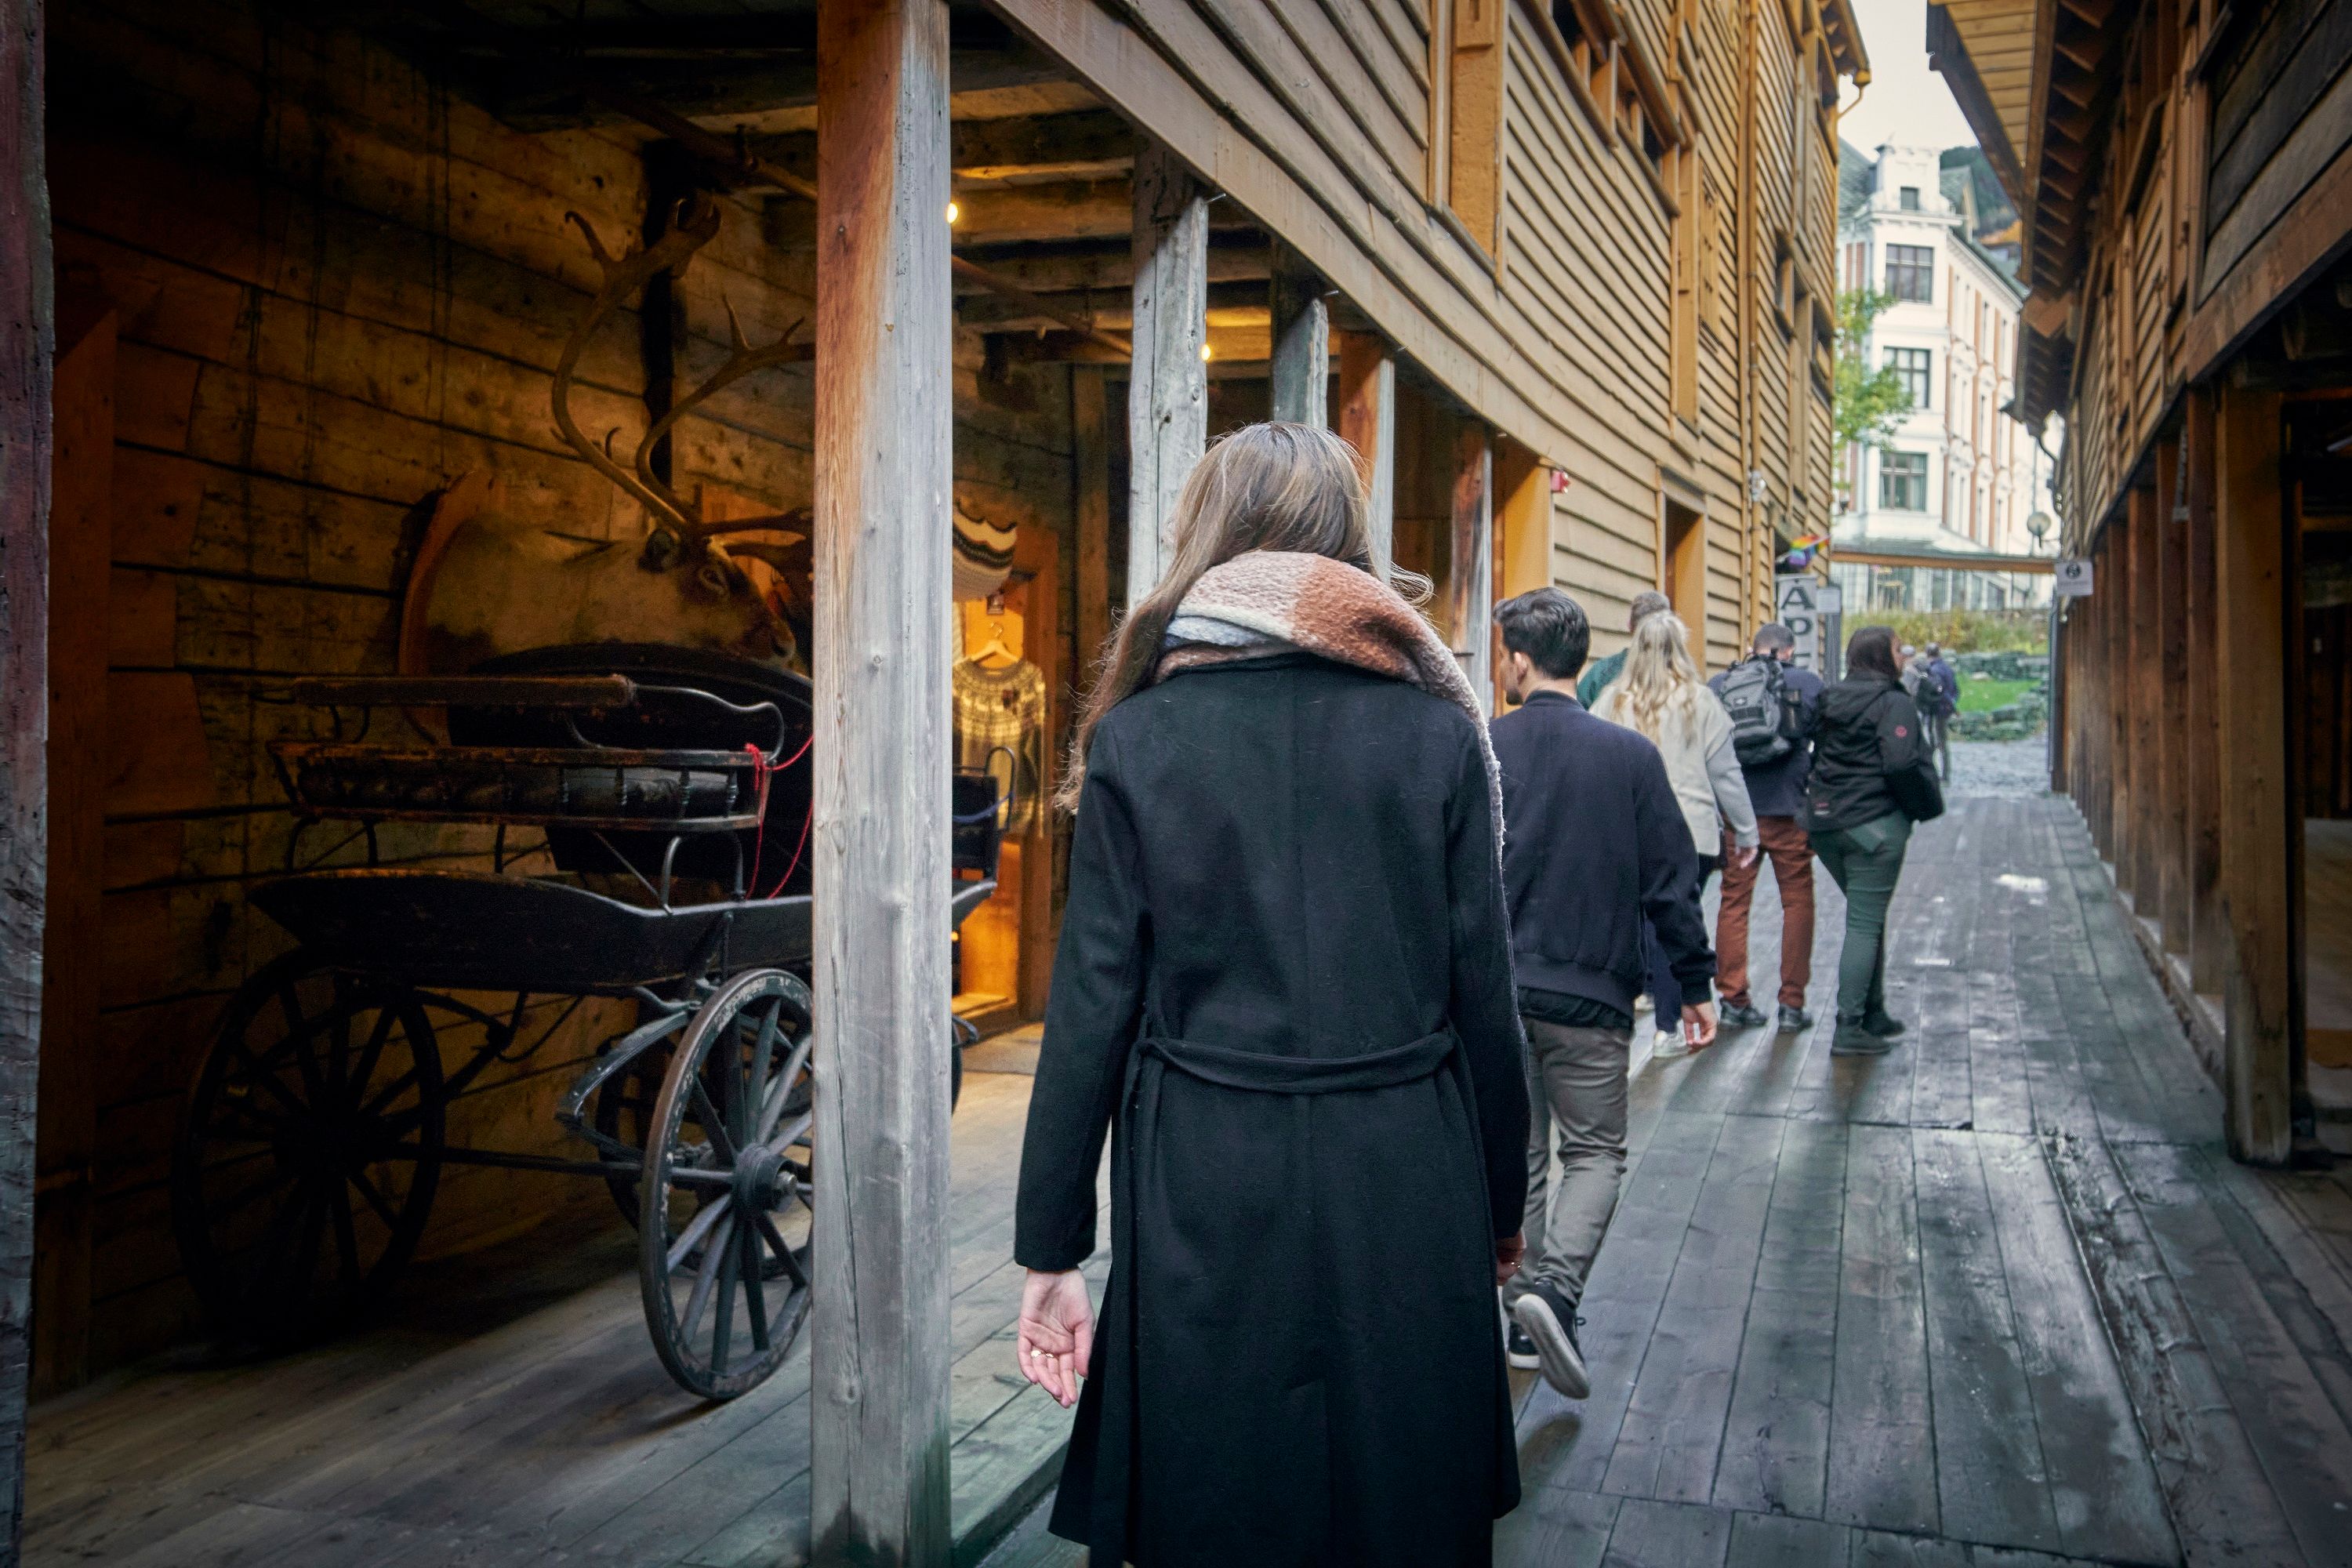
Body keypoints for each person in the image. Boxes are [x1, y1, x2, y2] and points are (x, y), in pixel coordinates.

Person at [1013, 423, 1532, 1566]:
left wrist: (1052, 1251)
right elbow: (1484, 1000)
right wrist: (1502, 1207)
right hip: (1407, 1164)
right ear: (1343, 550)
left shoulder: (1137, 740)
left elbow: (1091, 1002)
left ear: (1213, 540)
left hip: (1206, 1167)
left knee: (1216, 1493)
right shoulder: (1439, 736)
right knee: (1402, 1500)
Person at [1490, 588, 1715, 1403]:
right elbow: (1671, 883)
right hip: (1592, 990)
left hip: (1498, 992)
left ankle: (1523, 1314)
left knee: (1520, 1151)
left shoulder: (1483, 746)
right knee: (1594, 1150)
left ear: (1518, 658)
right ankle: (1555, 1292)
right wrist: (1691, 984)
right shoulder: (1629, 757)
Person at [1591, 613, 1758, 1061]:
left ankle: (1623, 1017)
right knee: (1675, 925)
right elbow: (1726, 775)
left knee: (1637, 924)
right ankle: (1668, 1028)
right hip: (1693, 833)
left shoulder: (1612, 701)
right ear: (1680, 650)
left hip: (1627, 829)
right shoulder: (1701, 702)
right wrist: (1746, 831)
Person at [1805, 624, 1932, 1056]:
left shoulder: (1829, 696)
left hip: (1824, 825)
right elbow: (1901, 764)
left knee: (1867, 916)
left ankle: (1873, 1012)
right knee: (1864, 922)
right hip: (1874, 826)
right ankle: (1848, 1026)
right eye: (1899, 648)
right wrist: (1919, 809)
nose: (1904, 655)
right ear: (1882, 655)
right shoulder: (1894, 702)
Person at [1708, 623, 1822, 1033]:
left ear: (1751, 649)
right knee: (1797, 903)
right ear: (1789, 651)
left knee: (1734, 902)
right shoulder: (1808, 684)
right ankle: (1792, 1005)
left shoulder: (1721, 683)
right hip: (1791, 811)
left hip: (1738, 815)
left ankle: (1733, 999)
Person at [1575, 588, 1670, 708]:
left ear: (1629, 625)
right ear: (1670, 630)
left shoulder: (1602, 673)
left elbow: (1578, 712)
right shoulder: (1684, 679)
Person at [1918, 641, 1958, 782]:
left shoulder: (1934, 670)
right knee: (1941, 742)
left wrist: (1949, 704)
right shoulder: (1947, 668)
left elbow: (1939, 690)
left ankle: (1938, 773)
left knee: (1936, 741)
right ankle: (1942, 772)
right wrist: (1953, 703)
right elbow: (1955, 689)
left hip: (1937, 709)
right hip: (1945, 708)